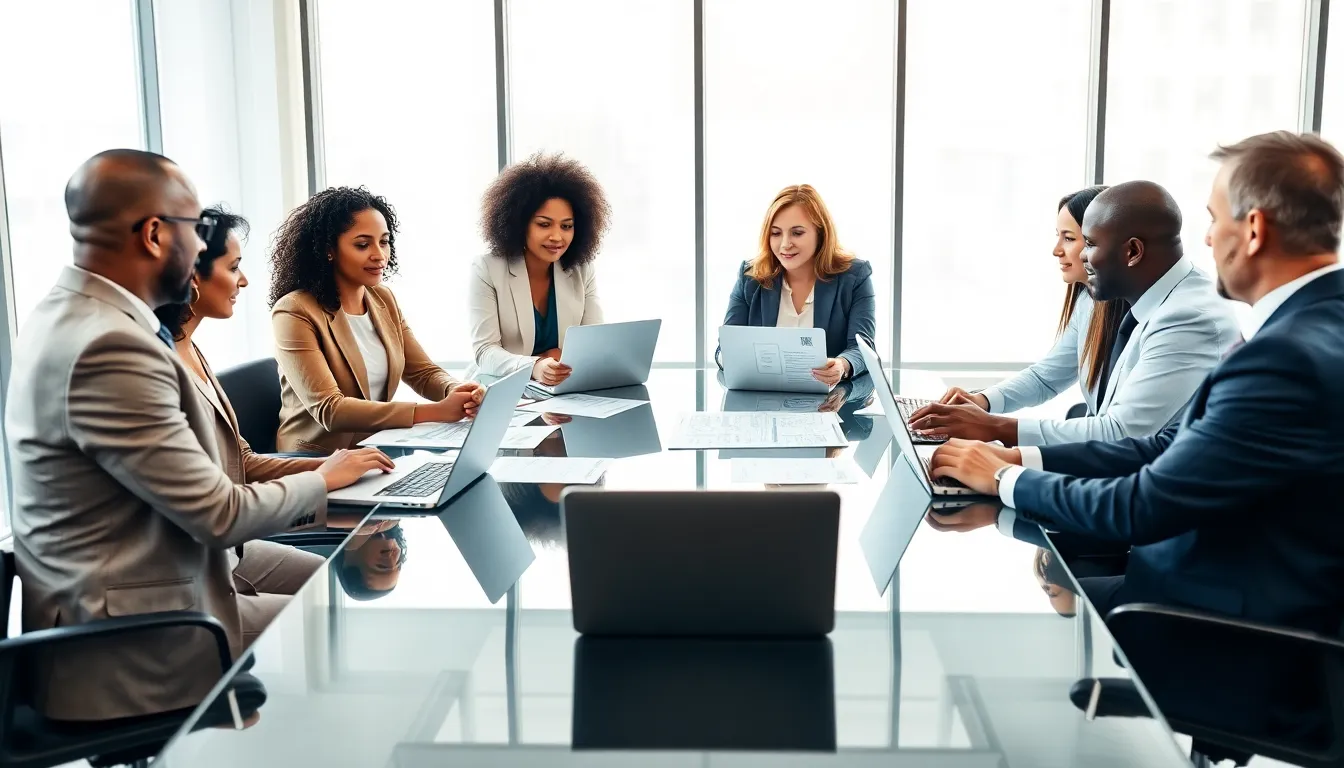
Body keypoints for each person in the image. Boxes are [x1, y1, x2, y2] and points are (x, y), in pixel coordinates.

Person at [6, 149, 394, 721]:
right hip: (136, 642)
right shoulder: (110, 346)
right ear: (157, 234)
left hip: (162, 588)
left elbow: (218, 476)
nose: (199, 249)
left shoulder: (75, 315)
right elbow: (219, 516)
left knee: (340, 606)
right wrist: (319, 480)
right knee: (347, 629)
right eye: (197, 229)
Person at [929, 131, 1344, 633]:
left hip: (1219, 620)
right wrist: (1015, 458)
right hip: (1219, 586)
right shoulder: (1313, 328)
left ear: (1253, 229)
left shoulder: (1282, 359)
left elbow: (1141, 505)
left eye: (1214, 221)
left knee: (993, 622)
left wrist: (1002, 479)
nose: (1208, 240)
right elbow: (1167, 446)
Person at [910, 181, 1239, 446]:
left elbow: (1122, 434)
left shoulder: (1185, 317)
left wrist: (996, 430)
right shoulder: (1130, 299)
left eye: (1086, 243)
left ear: (1132, 251)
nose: (1077, 255)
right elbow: (1047, 378)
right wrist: (983, 406)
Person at [153, 205, 328, 636]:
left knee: (327, 582)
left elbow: (243, 461)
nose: (244, 281)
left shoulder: (190, 347)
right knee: (324, 620)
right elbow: (213, 503)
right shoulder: (154, 361)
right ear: (193, 276)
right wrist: (324, 481)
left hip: (230, 551)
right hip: (190, 564)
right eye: (234, 268)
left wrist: (333, 464)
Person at [270, 186, 483, 454]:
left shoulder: (382, 299)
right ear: (328, 250)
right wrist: (436, 411)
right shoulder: (294, 311)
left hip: (374, 451)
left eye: (384, 241)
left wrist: (458, 391)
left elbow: (423, 372)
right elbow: (330, 409)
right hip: (315, 461)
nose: (379, 255)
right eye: (362, 244)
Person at [931, 186, 1128, 419]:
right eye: (1059, 237)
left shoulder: (1140, 317)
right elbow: (1045, 379)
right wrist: (981, 400)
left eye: (1068, 238)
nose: (1057, 251)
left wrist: (1000, 433)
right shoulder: (1087, 303)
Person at [468, 152, 611, 385]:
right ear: (519, 223)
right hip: (500, 390)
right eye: (544, 224)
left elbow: (594, 344)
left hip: (564, 390)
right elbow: (485, 352)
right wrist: (535, 365)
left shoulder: (581, 270)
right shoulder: (486, 269)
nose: (557, 236)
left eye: (567, 226)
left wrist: (557, 359)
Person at [717, 184, 876, 386]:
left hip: (831, 405)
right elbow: (727, 347)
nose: (785, 244)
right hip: (761, 403)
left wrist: (842, 365)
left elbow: (863, 348)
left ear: (820, 233)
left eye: (797, 233)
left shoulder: (854, 277)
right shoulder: (750, 277)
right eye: (776, 233)